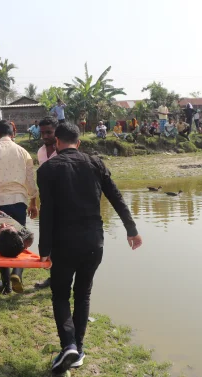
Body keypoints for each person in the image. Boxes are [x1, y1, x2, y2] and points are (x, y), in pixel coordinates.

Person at [37, 122, 142, 375]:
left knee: (60, 295)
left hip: (64, 244)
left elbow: (47, 212)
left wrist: (44, 249)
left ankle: (69, 345)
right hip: (94, 242)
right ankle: (78, 351)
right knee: (82, 294)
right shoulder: (95, 163)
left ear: (58, 143)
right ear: (79, 142)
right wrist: (132, 230)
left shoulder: (47, 168)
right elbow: (116, 197)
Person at [0, 120, 38, 295]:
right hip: (19, 202)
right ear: (13, 134)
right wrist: (33, 203)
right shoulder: (24, 152)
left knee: (2, 243)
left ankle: (6, 284)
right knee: (17, 240)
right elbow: (30, 182)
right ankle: (17, 274)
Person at [35, 117, 59, 290]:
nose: (44, 136)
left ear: (57, 131)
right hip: (48, 203)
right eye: (42, 132)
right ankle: (53, 277)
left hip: (65, 203)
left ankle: (62, 278)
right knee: (49, 241)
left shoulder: (64, 150)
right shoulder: (41, 152)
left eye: (48, 132)